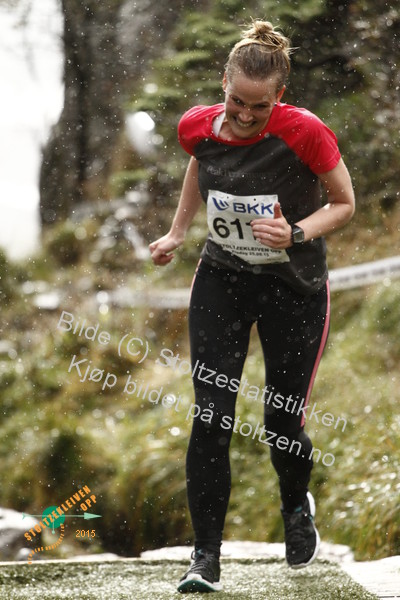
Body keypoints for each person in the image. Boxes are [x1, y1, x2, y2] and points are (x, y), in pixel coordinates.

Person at [149, 19, 355, 594]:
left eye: (258, 106)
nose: (244, 115)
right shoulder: (197, 125)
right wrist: (177, 232)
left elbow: (344, 202)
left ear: (279, 96)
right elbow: (200, 163)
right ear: (224, 83)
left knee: (281, 421)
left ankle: (295, 504)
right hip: (224, 281)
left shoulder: (305, 131)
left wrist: (296, 231)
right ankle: (205, 558)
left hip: (294, 288)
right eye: (236, 101)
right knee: (210, 417)